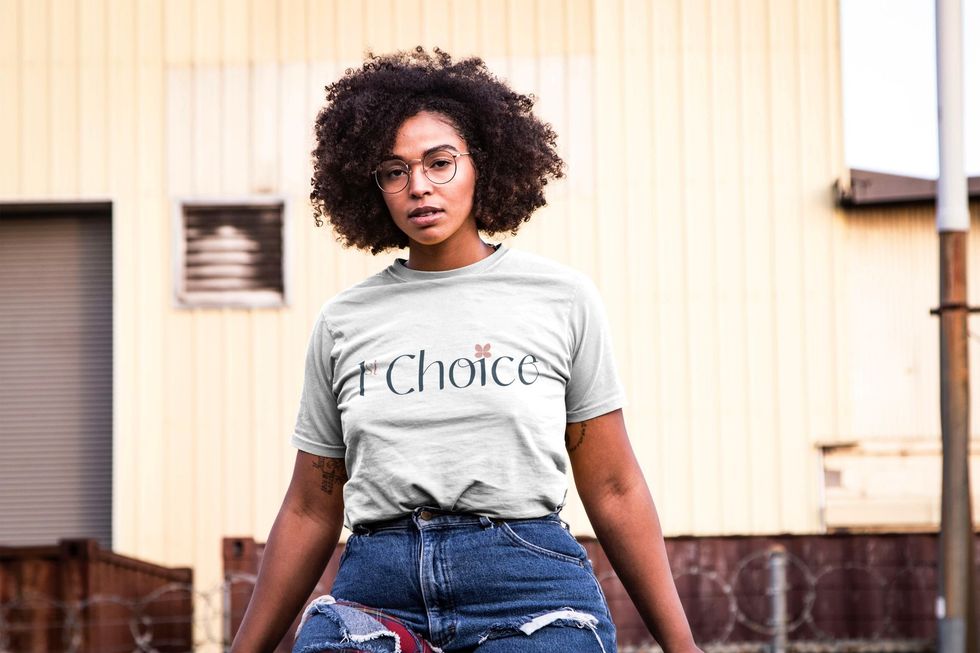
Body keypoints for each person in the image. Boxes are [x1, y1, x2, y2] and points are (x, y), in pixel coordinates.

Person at [231, 47, 700, 653]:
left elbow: (613, 487)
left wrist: (682, 646)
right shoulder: (343, 322)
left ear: (486, 164)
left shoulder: (560, 299)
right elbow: (309, 510)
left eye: (439, 162)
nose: (418, 187)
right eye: (394, 171)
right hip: (377, 591)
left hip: (528, 589)